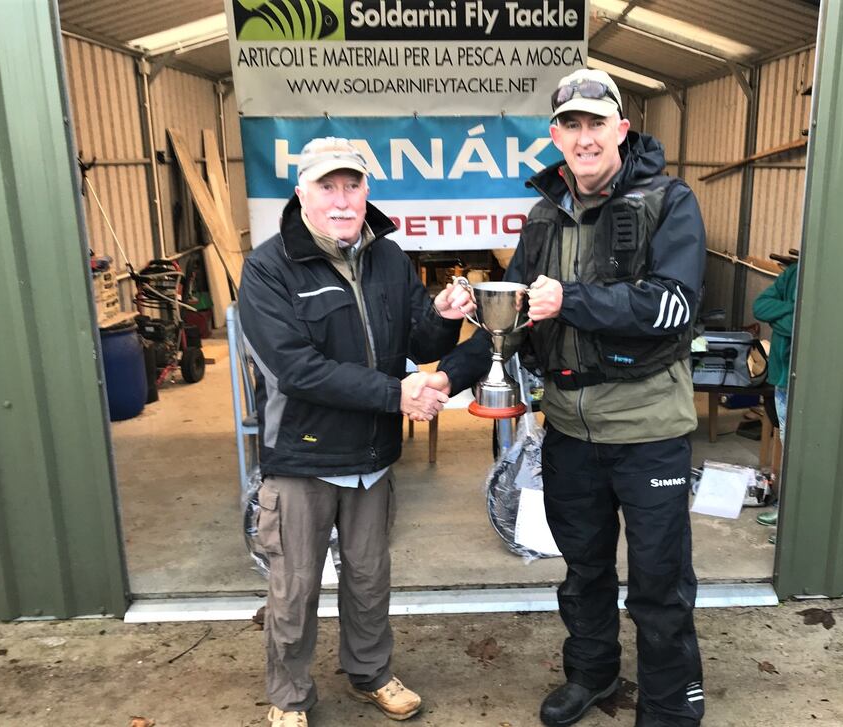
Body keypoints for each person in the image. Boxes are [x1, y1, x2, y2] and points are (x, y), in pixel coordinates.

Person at [432, 69, 707, 727]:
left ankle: (671, 706)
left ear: (621, 129)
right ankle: (593, 673)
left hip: (646, 429)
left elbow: (675, 305)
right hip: (568, 431)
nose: (584, 137)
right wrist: (449, 373)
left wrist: (574, 299)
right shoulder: (543, 215)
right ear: (556, 135)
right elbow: (515, 316)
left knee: (658, 584)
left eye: (596, 123)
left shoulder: (670, 201)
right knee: (583, 571)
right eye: (571, 125)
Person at [238, 137, 473, 727]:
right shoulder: (268, 268)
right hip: (303, 458)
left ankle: (369, 672)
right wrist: (397, 393)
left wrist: (442, 317)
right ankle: (289, 696)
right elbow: (295, 368)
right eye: (327, 187)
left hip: (371, 458)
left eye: (352, 186)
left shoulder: (390, 258)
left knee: (369, 579)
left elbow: (417, 342)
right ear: (302, 194)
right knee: (294, 590)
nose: (342, 201)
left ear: (367, 191)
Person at [752, 260, 798, 543]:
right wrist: (795, 312)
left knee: (804, 450)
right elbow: (760, 306)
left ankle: (794, 519)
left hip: (808, 379)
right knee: (789, 446)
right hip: (783, 380)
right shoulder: (794, 273)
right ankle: (785, 510)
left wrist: (781, 319)